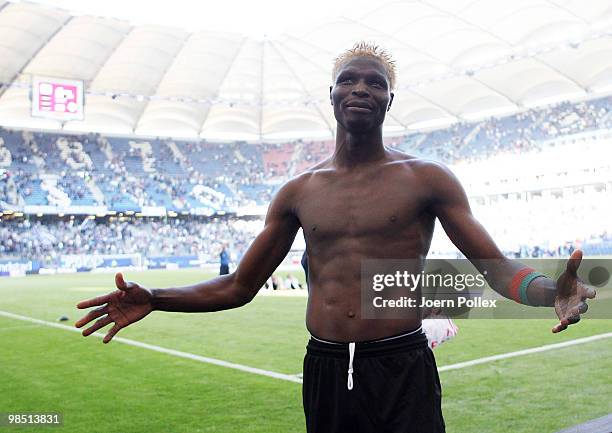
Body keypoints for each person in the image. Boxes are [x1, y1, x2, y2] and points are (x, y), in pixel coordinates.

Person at [75, 42, 596, 433]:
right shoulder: (298, 192)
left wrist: (553, 292)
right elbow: (238, 287)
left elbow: (495, 267)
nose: (361, 89)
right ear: (331, 94)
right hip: (325, 367)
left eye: (375, 83)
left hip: (402, 364)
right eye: (349, 80)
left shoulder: (427, 178)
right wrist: (157, 298)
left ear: (390, 100)